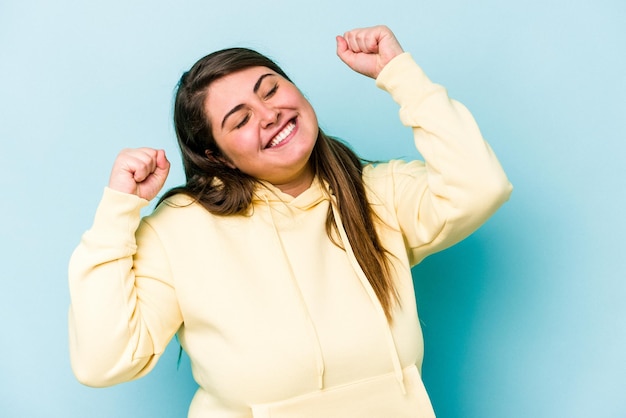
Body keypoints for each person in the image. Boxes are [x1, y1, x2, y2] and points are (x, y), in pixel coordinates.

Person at [68, 25, 512, 417]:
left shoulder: (378, 194)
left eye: (271, 90)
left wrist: (401, 76)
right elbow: (104, 361)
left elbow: (480, 186)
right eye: (240, 119)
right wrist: (116, 212)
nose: (269, 115)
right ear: (216, 156)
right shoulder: (180, 228)